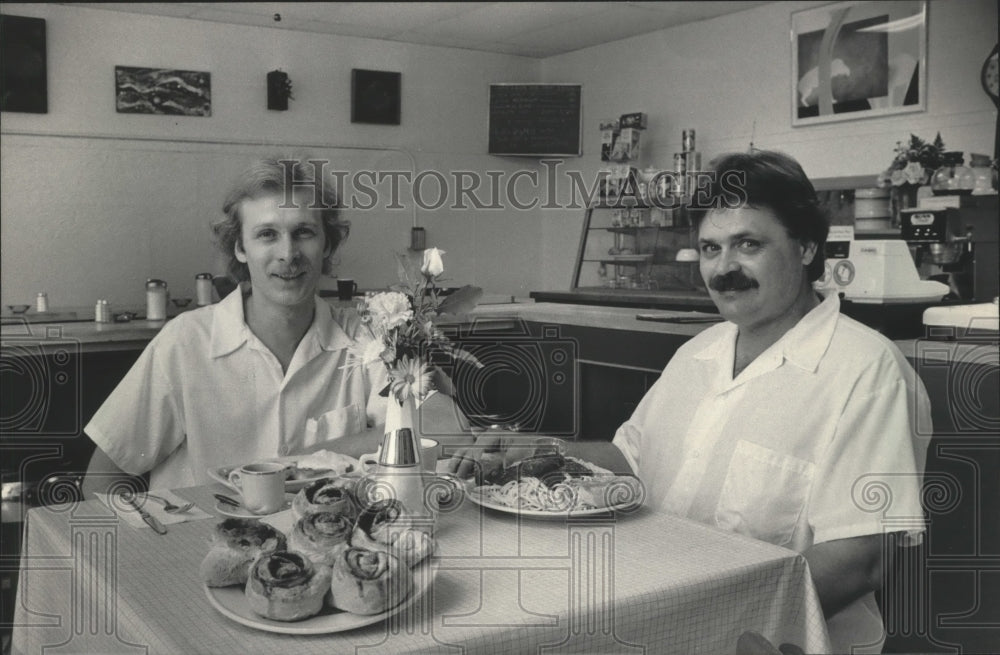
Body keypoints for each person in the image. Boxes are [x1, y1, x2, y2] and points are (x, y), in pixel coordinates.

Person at [449, 150, 931, 654]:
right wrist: (541, 450)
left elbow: (861, 558)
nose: (725, 269)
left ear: (807, 246)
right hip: (654, 615)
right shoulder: (698, 351)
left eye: (748, 244)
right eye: (709, 248)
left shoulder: (867, 371)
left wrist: (705, 625)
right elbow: (631, 462)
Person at [82, 157, 456, 494]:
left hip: (326, 549)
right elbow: (101, 479)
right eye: (266, 235)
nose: (288, 254)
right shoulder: (185, 342)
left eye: (304, 232)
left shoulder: (368, 336)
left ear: (328, 244)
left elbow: (447, 423)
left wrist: (295, 462)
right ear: (240, 249)